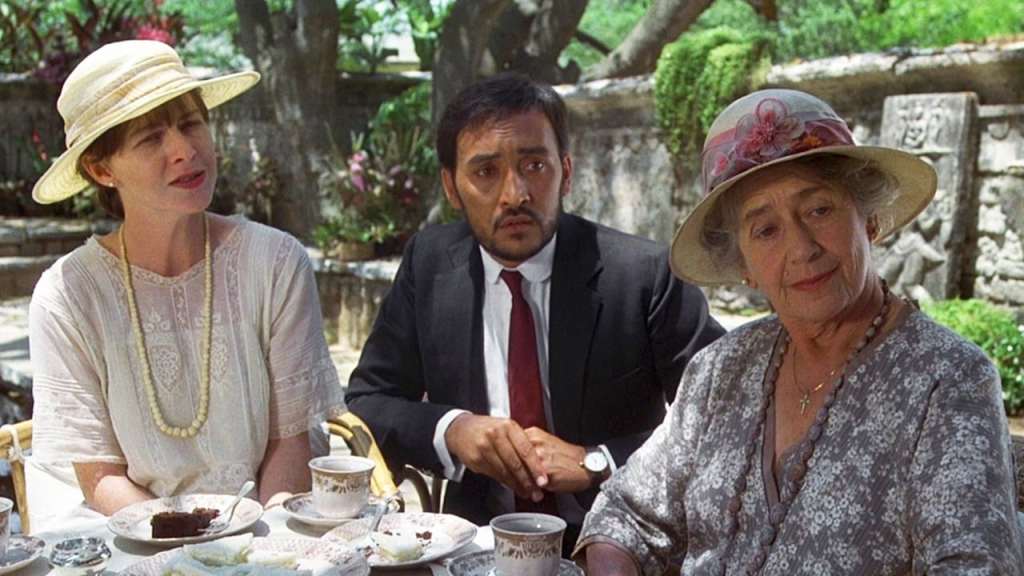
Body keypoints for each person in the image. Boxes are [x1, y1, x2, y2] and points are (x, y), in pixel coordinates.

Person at [576, 89, 1024, 574]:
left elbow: (974, 566)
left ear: (868, 220)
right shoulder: (720, 370)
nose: (802, 248)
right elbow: (625, 516)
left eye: (819, 210)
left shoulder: (948, 380)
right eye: (766, 230)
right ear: (743, 265)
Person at [344, 73, 724, 551]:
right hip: (474, 544)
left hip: (615, 540)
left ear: (566, 170)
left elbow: (722, 417)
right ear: (451, 187)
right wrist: (453, 429)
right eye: (485, 172)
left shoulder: (644, 274)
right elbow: (368, 400)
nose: (515, 194)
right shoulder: (430, 263)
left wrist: (597, 462)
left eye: (534, 165)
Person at [28, 40, 344, 525]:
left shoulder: (275, 262)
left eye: (191, 123)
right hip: (132, 538)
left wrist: (254, 547)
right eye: (150, 137)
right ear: (101, 168)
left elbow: (290, 441)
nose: (185, 150)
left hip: (265, 530)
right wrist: (183, 549)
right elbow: (100, 475)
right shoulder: (68, 296)